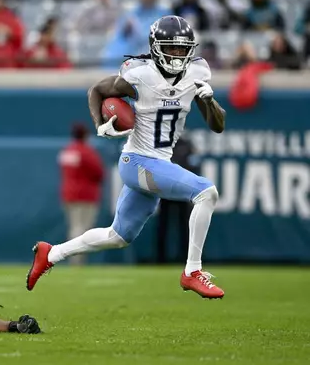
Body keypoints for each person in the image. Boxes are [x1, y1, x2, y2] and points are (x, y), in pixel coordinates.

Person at [27, 16, 226, 299]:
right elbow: (96, 90)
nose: (179, 55)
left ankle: (51, 253)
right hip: (138, 161)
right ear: (156, 48)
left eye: (184, 49)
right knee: (207, 192)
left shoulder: (197, 74)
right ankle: (193, 271)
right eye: (173, 48)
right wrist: (100, 126)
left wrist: (208, 100)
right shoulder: (140, 74)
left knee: (118, 236)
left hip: (158, 163)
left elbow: (218, 125)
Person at [58, 123, 104, 265]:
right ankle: (76, 261)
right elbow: (99, 173)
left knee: (74, 227)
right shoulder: (87, 152)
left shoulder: (67, 151)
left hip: (68, 194)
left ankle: (74, 259)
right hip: (85, 196)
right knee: (81, 229)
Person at [155, 136, 200, 264]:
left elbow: (194, 165)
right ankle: (160, 258)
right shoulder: (164, 143)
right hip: (166, 189)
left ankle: (186, 257)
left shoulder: (186, 144)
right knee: (163, 225)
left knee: (185, 225)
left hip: (182, 190)